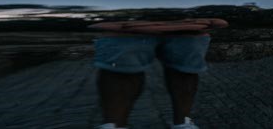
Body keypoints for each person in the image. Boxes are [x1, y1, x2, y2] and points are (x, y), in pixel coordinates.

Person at [89, 18, 227, 129]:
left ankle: (183, 123)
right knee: (121, 70)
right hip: (128, 18)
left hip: (189, 18)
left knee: (185, 70)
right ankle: (113, 125)